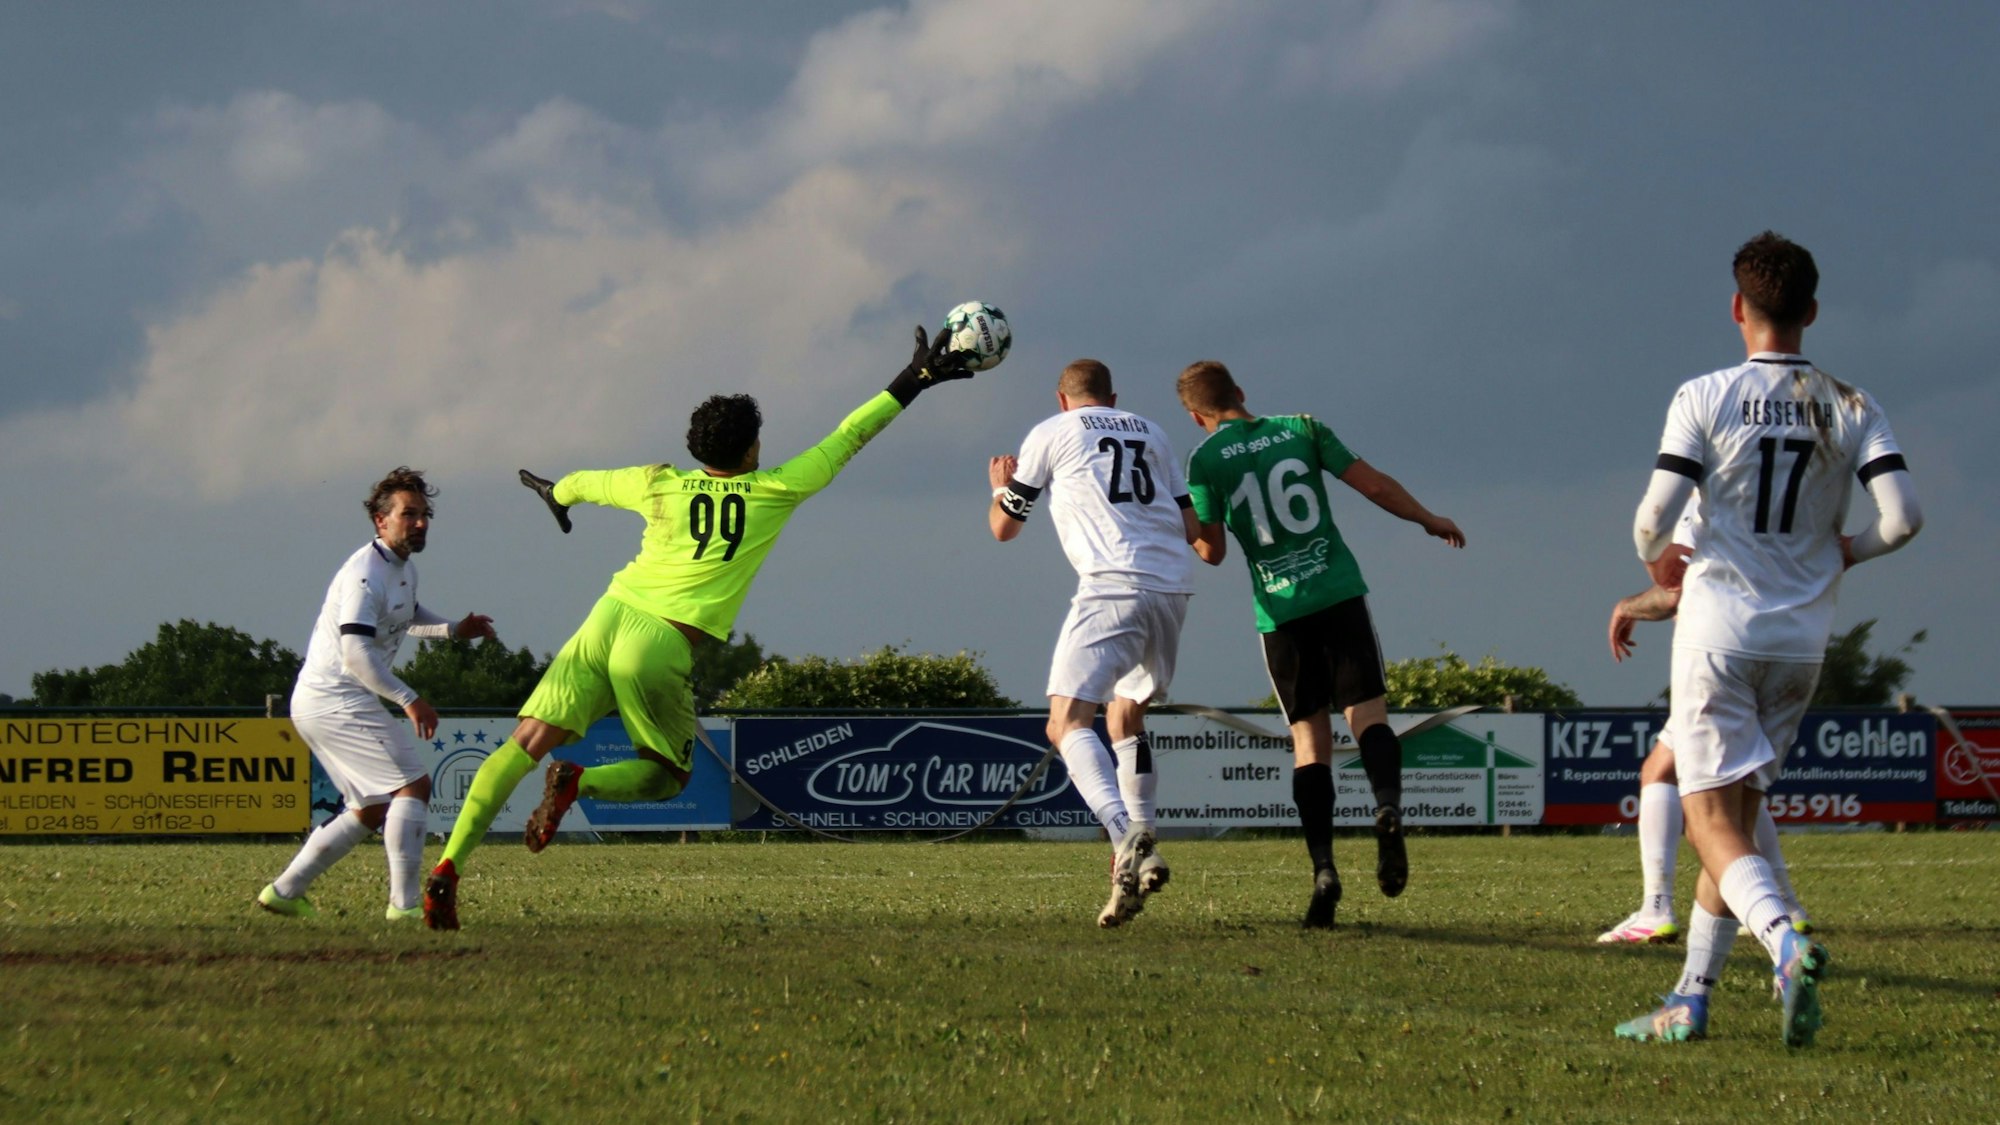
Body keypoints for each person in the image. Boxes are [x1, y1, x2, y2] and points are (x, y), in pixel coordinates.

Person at [422, 326, 977, 930]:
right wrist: (914, 380)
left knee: (522, 743)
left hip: (607, 616)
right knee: (669, 776)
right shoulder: (773, 490)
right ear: (748, 451)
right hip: (659, 641)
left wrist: (558, 493)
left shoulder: (659, 483)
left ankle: (449, 866)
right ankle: (577, 781)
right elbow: (849, 437)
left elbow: (589, 482)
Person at [1617, 231, 1921, 1047]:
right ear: (1812, 311)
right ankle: (1691, 997)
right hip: (1802, 640)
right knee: (1742, 820)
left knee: (1706, 814)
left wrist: (1658, 560)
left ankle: (1784, 940)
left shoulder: (1704, 395)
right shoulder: (1854, 403)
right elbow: (1904, 517)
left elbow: (1654, 515)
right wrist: (1849, 550)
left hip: (1719, 629)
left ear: (1737, 308)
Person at [1176, 361, 1464, 928]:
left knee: (1309, 743)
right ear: (1240, 391)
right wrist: (1427, 519)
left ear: (1196, 416)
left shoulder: (1203, 460)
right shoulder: (1303, 428)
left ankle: (1325, 872)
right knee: (1370, 718)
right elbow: (1373, 484)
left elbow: (1212, 552)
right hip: (1338, 593)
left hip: (1281, 614)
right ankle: (1385, 806)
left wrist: (1187, 531)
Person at [989, 359, 1198, 928]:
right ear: (1114, 398)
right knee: (1125, 719)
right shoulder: (1152, 431)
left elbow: (1004, 527)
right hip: (1173, 589)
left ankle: (1127, 834)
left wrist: (1001, 489)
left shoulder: (1051, 433)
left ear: (1062, 400)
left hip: (1113, 587)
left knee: (1065, 721)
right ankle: (1135, 859)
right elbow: (1194, 528)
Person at [257, 467, 497, 921]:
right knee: (413, 785)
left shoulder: (401, 569)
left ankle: (285, 892)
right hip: (335, 696)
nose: (421, 523)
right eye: (409, 514)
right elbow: (354, 652)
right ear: (380, 520)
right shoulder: (365, 574)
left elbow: (405, 615)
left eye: (425, 514)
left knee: (369, 807)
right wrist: (409, 699)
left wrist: (453, 629)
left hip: (321, 698)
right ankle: (404, 908)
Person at [1598, 498, 1810, 944]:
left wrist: (1628, 606)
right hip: (1791, 646)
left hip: (1722, 656)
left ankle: (1656, 908)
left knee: (1664, 775)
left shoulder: (1707, 498)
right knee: (1742, 784)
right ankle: (1787, 905)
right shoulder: (1786, 497)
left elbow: (1676, 591)